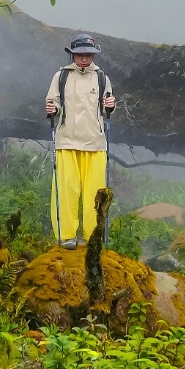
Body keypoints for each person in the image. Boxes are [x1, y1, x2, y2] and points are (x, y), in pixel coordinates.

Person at [45, 34, 116, 249]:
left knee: (94, 191)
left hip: (95, 142)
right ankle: (66, 236)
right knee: (66, 189)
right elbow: (53, 102)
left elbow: (107, 108)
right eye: (80, 55)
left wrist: (111, 105)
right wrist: (52, 109)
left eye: (88, 55)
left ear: (93, 55)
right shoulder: (61, 77)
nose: (84, 59)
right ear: (72, 55)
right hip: (67, 140)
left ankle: (92, 236)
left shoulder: (102, 78)